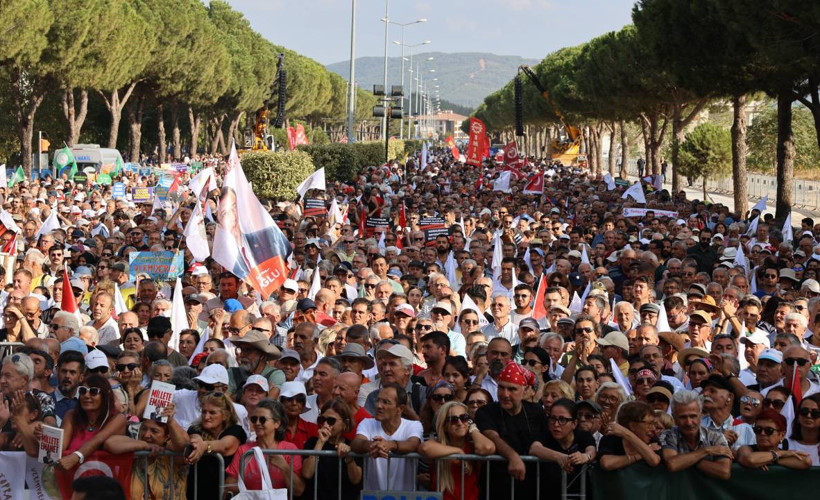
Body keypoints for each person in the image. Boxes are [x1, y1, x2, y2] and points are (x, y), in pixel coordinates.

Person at [475, 362, 545, 500]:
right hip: (495, 488)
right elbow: (492, 436)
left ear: (525, 390)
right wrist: (513, 456)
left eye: (512, 389)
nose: (505, 394)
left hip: (530, 488)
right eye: (501, 387)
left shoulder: (536, 411)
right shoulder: (486, 411)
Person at [351, 383, 423, 491]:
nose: (379, 406)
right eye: (378, 400)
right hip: (373, 497)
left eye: (386, 402)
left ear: (400, 408)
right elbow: (356, 443)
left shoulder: (413, 425)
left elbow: (413, 444)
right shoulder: (367, 423)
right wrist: (373, 445)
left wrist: (390, 445)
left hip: (404, 497)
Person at [419, 401, 496, 500]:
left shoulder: (473, 446)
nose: (459, 423)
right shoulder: (438, 444)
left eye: (464, 418)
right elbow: (425, 448)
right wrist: (458, 452)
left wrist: (473, 429)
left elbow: (488, 447)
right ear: (445, 426)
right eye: (453, 420)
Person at [226, 399, 305, 496]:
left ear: (277, 423)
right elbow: (229, 485)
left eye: (262, 419)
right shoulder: (244, 450)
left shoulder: (290, 449)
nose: (257, 423)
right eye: (254, 419)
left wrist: (284, 467)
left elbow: (298, 490)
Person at [56, 374, 128, 471]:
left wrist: (76, 456)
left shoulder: (118, 419)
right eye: (83, 391)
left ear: (105, 395)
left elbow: (98, 439)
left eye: (93, 391)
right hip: (71, 476)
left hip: (103, 477)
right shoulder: (71, 416)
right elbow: (61, 446)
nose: (86, 395)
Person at [529, 398, 596, 499]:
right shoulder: (545, 435)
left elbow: (591, 450)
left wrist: (585, 457)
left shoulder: (583, 436)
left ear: (574, 423)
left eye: (562, 420)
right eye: (553, 418)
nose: (556, 424)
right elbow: (534, 448)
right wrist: (559, 457)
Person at [186, 391, 247, 500]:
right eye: (204, 412)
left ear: (225, 415)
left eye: (212, 413)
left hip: (224, 494)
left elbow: (225, 446)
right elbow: (195, 439)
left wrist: (204, 446)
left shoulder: (236, 430)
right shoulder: (195, 428)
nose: (206, 417)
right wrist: (198, 443)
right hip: (197, 492)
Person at [660, 390, 732, 480]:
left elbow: (724, 472)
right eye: (683, 417)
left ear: (701, 415)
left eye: (693, 416)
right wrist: (705, 451)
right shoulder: (668, 435)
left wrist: (686, 460)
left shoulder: (716, 437)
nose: (689, 422)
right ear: (674, 417)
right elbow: (672, 464)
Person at [302, 398, 363, 500]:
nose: (325, 424)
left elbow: (356, 480)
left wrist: (349, 458)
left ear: (345, 423)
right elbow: (307, 474)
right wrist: (320, 443)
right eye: (322, 420)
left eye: (331, 421)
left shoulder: (352, 446)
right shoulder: (312, 443)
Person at [736, 409, 812, 470]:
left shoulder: (783, 455)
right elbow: (749, 459)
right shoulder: (746, 449)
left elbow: (806, 461)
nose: (762, 433)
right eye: (758, 429)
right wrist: (779, 454)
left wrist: (766, 460)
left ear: (782, 435)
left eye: (769, 430)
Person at [598, 401, 662, 470]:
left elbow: (654, 460)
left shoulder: (653, 439)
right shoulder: (612, 439)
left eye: (653, 424)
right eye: (649, 424)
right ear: (633, 426)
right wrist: (639, 455)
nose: (653, 428)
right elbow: (607, 463)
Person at [787, 394, 820, 465]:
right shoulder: (785, 444)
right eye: (804, 411)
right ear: (798, 416)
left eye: (815, 413)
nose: (808, 416)